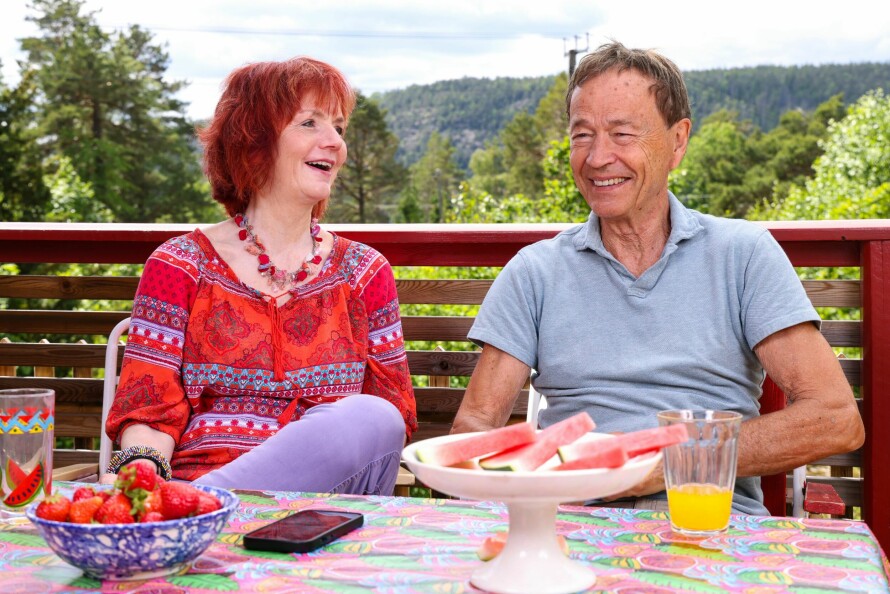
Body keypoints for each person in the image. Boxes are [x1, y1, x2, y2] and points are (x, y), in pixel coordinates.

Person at [451, 41, 865, 514]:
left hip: (709, 528)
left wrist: (663, 462)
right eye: (581, 135)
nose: (597, 157)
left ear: (678, 141)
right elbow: (474, 430)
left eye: (622, 134)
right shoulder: (534, 273)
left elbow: (835, 419)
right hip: (568, 529)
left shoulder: (742, 255)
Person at [103, 57, 417, 495]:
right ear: (252, 141)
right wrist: (139, 476)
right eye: (310, 123)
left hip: (322, 504)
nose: (335, 143)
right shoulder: (178, 264)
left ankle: (205, 508)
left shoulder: (364, 272)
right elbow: (149, 411)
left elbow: (391, 419)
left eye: (339, 129)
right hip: (192, 479)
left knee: (374, 417)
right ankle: (201, 506)